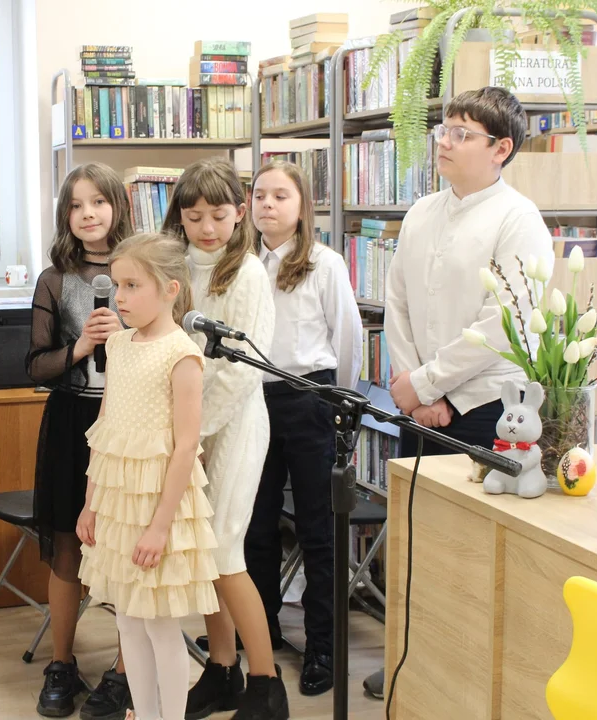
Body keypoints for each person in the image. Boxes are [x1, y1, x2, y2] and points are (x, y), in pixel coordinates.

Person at [369, 86, 554, 699]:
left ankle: (461, 674)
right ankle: (411, 658)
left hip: (485, 412)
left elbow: (505, 323)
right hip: (418, 403)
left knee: (469, 551)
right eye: (443, 130)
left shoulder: (518, 218)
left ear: (501, 149)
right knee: (416, 537)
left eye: (461, 133)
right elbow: (396, 303)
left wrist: (432, 387)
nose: (444, 142)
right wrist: (411, 384)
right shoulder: (422, 212)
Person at [162, 157, 288, 720]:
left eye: (217, 215)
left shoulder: (248, 273)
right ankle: (222, 668)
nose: (207, 228)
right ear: (180, 217)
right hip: (187, 429)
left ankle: (266, 683)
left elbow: (242, 371)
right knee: (201, 553)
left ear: (239, 213)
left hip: (233, 423)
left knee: (224, 551)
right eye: (194, 217)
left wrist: (190, 431)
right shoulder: (174, 266)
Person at [76, 232, 219, 720]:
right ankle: (145, 712)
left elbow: (186, 448)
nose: (119, 297)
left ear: (170, 289)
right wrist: (91, 503)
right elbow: (105, 432)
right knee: (129, 623)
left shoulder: (183, 354)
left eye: (132, 286)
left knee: (159, 625)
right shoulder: (118, 345)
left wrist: (160, 527)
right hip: (119, 504)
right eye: (117, 285)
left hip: (161, 505)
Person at [246, 160, 363, 697]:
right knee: (256, 526)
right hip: (254, 400)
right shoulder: (243, 263)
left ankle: (323, 645)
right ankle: (261, 631)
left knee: (318, 530)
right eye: (259, 195)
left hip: (311, 399)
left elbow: (348, 340)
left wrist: (337, 402)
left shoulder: (324, 263)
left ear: (302, 206)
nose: (268, 204)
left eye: (280, 196)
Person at [26, 162, 133, 720]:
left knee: (128, 551)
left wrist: (124, 339)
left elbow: (166, 345)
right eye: (75, 205)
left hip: (131, 422)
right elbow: (35, 365)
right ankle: (61, 663)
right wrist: (81, 348)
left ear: (118, 205)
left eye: (98, 201)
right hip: (72, 421)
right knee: (67, 546)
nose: (87, 213)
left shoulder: (142, 269)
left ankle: (125, 671)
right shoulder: (54, 279)